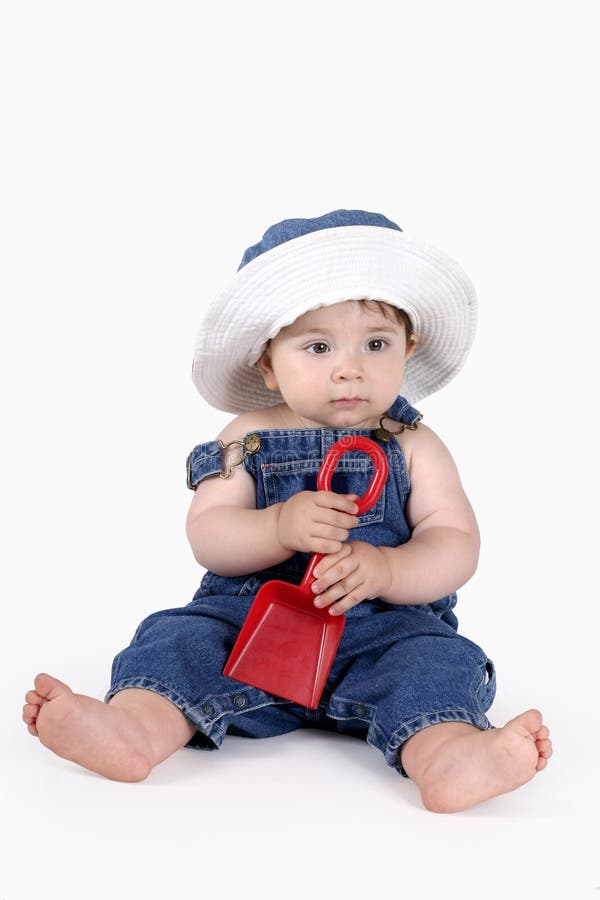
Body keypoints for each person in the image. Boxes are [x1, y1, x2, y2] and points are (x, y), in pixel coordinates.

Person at [23, 209, 552, 812]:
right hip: (247, 622)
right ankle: (136, 729)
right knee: (179, 641)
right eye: (318, 346)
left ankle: (449, 755)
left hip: (383, 628)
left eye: (375, 344)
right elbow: (208, 535)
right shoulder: (244, 438)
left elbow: (455, 540)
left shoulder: (414, 444)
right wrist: (275, 526)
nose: (350, 367)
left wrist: (387, 571)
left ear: (409, 349)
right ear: (268, 363)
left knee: (434, 664)